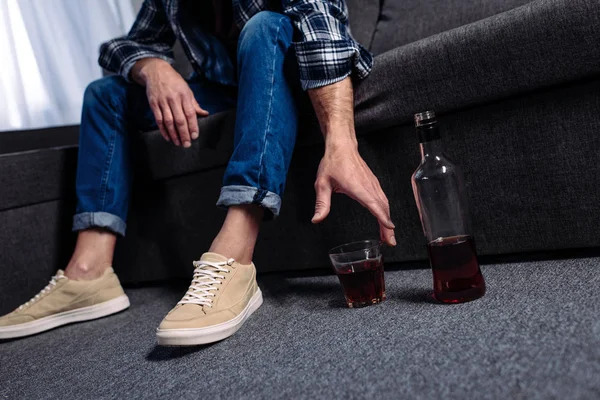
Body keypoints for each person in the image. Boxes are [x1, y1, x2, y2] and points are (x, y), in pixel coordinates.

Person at [0, 0, 395, 345]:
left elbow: (321, 24)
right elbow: (124, 45)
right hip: (229, 88)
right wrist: (153, 67)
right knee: (105, 95)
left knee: (266, 26)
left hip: (285, 63)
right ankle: (89, 274)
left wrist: (341, 143)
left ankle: (235, 258)